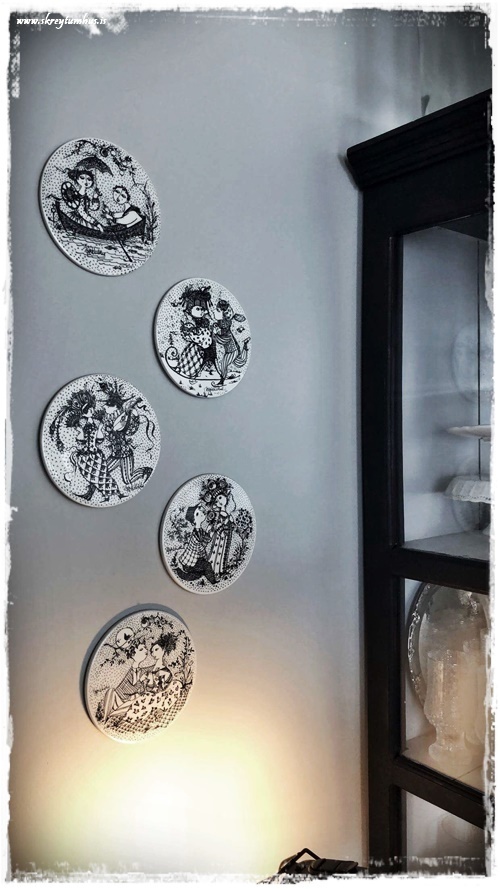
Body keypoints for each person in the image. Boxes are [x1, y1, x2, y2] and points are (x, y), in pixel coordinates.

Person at [102, 639, 149, 721]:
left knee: (135, 699)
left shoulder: (141, 671)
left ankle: (111, 715)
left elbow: (140, 691)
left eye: (145, 648)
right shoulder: (128, 671)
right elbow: (128, 690)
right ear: (133, 655)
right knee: (110, 691)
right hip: (119, 700)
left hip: (129, 703)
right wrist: (140, 681)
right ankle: (105, 716)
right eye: (141, 649)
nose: (145, 651)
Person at [174, 502, 216, 584]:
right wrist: (208, 535)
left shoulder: (200, 530)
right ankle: (213, 582)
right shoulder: (195, 534)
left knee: (200, 573)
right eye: (197, 514)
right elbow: (200, 546)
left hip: (197, 560)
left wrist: (209, 530)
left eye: (201, 511)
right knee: (207, 565)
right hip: (190, 564)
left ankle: (180, 572)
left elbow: (206, 539)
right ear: (193, 521)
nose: (201, 513)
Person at [212, 299, 250, 388]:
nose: (215, 311)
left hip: (232, 350)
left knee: (224, 364)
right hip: (231, 349)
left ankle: (221, 381)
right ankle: (245, 345)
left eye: (217, 310)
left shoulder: (225, 327)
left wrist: (215, 334)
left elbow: (223, 339)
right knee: (238, 361)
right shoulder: (221, 323)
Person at [207, 491, 235, 577]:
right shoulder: (217, 514)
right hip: (218, 537)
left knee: (222, 552)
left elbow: (232, 526)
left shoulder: (229, 516)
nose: (218, 501)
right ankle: (212, 568)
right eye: (216, 500)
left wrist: (228, 523)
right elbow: (214, 525)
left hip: (224, 538)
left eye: (220, 498)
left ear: (227, 498)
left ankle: (219, 569)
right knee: (215, 550)